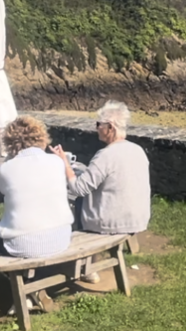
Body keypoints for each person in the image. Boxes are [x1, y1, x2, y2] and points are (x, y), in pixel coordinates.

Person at [52, 100, 151, 236]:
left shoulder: (106, 155)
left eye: (99, 124)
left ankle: (69, 242)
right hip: (137, 219)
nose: (97, 128)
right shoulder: (138, 150)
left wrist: (65, 163)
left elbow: (78, 189)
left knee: (72, 198)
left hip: (110, 223)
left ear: (110, 127)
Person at [0, 116, 73, 258]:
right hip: (61, 238)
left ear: (9, 143)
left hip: (22, 244)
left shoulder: (6, 169)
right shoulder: (57, 162)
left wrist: (10, 158)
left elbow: (0, 188)